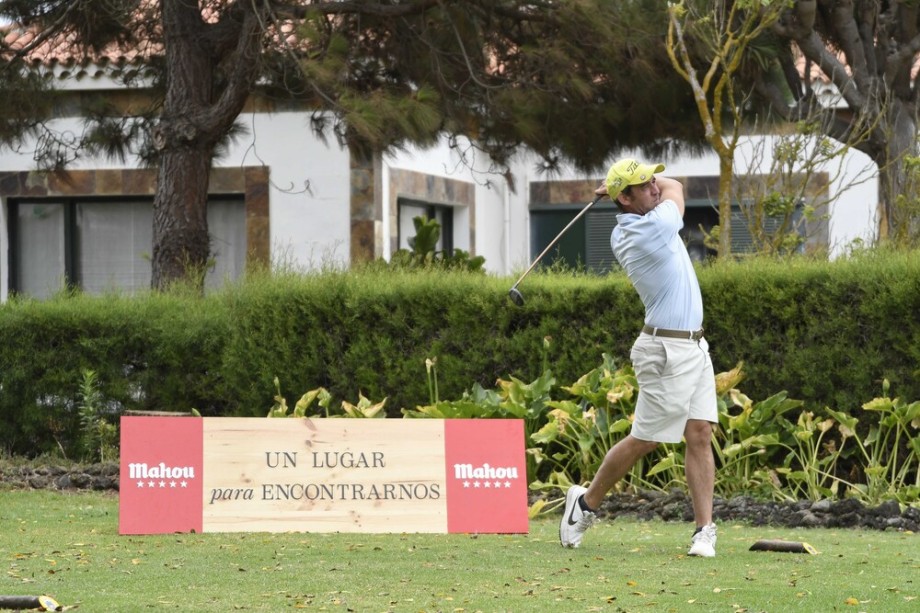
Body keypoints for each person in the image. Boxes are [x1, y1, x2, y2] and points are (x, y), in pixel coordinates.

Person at [559, 158, 719, 557]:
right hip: (664, 349)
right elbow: (677, 187)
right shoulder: (646, 229)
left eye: (651, 181)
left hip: (693, 346)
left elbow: (664, 187)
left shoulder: (642, 212)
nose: (654, 188)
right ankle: (585, 505)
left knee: (699, 433)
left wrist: (619, 183)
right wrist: (613, 184)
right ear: (626, 199)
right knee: (646, 439)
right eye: (642, 185)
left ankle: (704, 531)